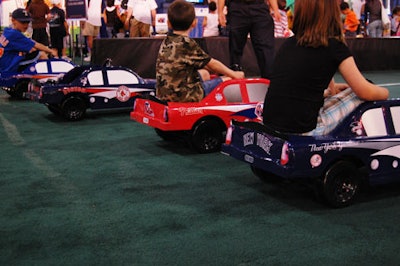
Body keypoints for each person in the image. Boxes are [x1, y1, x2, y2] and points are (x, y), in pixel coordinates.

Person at [262, 0, 389, 136]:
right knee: (368, 87)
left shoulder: (288, 44)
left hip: (270, 124)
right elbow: (365, 91)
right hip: (304, 129)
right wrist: (385, 93)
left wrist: (331, 90)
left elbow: (299, 85)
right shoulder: (335, 46)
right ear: (332, 12)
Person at [156, 0, 244, 102]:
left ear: (168, 23)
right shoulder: (187, 43)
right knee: (229, 80)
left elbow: (204, 63)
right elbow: (212, 64)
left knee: (205, 73)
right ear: (194, 23)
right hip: (183, 96)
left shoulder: (167, 40)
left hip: (164, 92)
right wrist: (234, 74)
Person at [217, 0, 280, 78]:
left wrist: (276, 9)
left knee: (265, 50)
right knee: (235, 49)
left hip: (259, 7)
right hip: (237, 8)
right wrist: (220, 11)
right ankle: (235, 79)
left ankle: (270, 80)